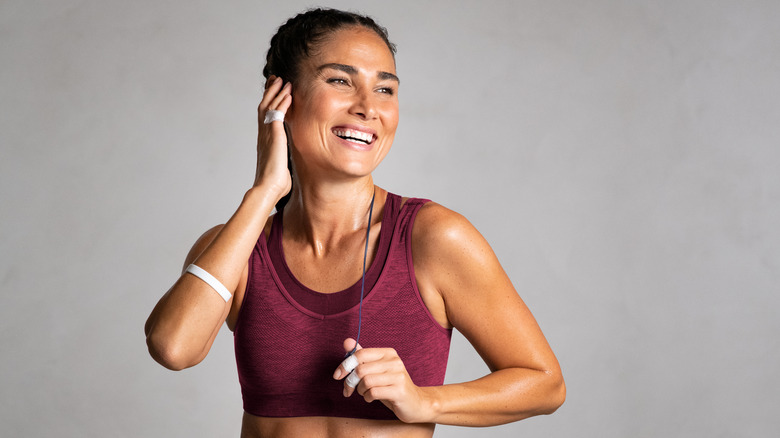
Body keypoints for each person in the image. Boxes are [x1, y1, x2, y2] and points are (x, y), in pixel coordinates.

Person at [144, 8, 564, 437]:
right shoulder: (236, 247)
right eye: (341, 81)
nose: (368, 108)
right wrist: (264, 192)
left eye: (385, 89)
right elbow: (173, 348)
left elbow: (544, 383)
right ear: (280, 98)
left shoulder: (433, 238)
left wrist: (422, 400)